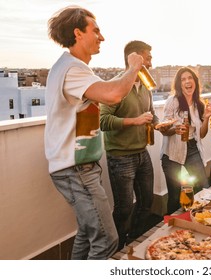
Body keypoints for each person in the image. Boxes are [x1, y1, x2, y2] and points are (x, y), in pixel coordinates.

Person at [44, 6, 144, 259]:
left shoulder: (71, 67)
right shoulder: (72, 68)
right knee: (106, 240)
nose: (102, 37)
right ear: (78, 33)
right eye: (96, 30)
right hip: (76, 169)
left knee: (86, 234)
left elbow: (106, 89)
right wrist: (133, 67)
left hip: (77, 167)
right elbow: (113, 93)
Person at [100, 40, 161, 250]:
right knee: (124, 208)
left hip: (141, 154)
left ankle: (133, 242)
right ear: (135, 58)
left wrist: (161, 124)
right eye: (148, 58)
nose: (152, 63)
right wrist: (135, 121)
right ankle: (116, 250)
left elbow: (151, 114)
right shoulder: (115, 86)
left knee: (146, 203)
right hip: (120, 158)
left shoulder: (145, 86)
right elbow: (103, 122)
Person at [160, 67, 211, 214]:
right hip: (172, 152)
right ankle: (170, 225)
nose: (187, 81)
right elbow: (164, 129)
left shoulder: (199, 105)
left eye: (190, 78)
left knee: (203, 186)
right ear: (179, 84)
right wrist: (174, 130)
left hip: (192, 149)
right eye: (183, 79)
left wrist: (207, 117)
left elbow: (201, 134)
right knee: (175, 195)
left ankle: (201, 218)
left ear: (195, 82)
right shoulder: (172, 101)